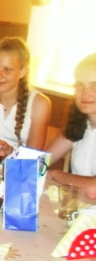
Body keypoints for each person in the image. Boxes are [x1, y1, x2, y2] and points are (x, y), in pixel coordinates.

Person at [46, 53, 96, 199]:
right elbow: (41, 161)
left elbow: (93, 189)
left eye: (94, 86)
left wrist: (55, 174)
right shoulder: (79, 123)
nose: (85, 94)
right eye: (79, 86)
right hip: (80, 206)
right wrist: (8, 152)